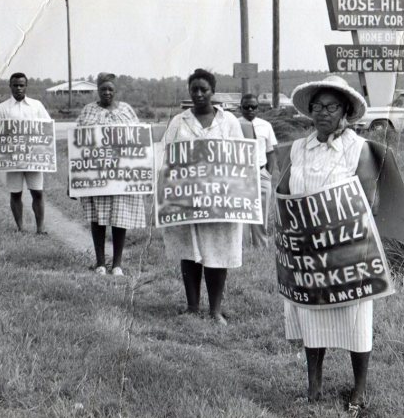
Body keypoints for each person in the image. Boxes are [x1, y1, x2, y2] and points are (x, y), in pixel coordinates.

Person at [277, 75, 398, 417]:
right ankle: (313, 388)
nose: (323, 113)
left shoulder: (358, 147)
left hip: (346, 251)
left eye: (331, 107)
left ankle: (358, 392)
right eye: (317, 106)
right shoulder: (300, 147)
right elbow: (285, 189)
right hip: (308, 254)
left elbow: (366, 200)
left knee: (355, 319)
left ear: (345, 110)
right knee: (311, 316)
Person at [161, 69, 244, 325]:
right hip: (188, 199)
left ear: (212, 91)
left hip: (221, 200)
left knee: (218, 250)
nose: (198, 94)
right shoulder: (179, 122)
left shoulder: (229, 122)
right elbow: (167, 157)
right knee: (190, 250)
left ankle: (215, 309)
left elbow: (241, 159)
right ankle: (192, 306)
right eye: (194, 89)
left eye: (203, 89)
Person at [76, 73, 146, 276]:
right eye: (103, 89)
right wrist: (75, 180)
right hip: (96, 175)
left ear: (115, 91)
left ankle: (117, 264)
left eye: (110, 89)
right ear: (98, 90)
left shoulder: (126, 110)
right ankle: (99, 263)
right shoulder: (88, 111)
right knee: (98, 218)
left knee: (119, 218)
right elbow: (78, 145)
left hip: (121, 176)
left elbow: (138, 140)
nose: (107, 92)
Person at [0, 72, 51, 234]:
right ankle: (20, 228)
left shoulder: (36, 105)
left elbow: (47, 129)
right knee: (16, 193)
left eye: (21, 85)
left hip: (34, 157)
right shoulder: (2, 108)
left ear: (26, 86)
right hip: (13, 159)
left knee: (37, 192)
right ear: (10, 86)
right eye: (15, 85)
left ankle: (40, 228)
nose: (18, 88)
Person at [238, 93, 278, 247]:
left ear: (258, 108)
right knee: (241, 211)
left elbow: (270, 151)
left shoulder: (266, 125)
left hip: (261, 173)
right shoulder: (234, 125)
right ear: (240, 108)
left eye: (253, 107)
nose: (250, 110)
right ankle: (242, 247)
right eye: (246, 107)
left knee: (262, 212)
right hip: (240, 174)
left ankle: (260, 245)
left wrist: (268, 172)